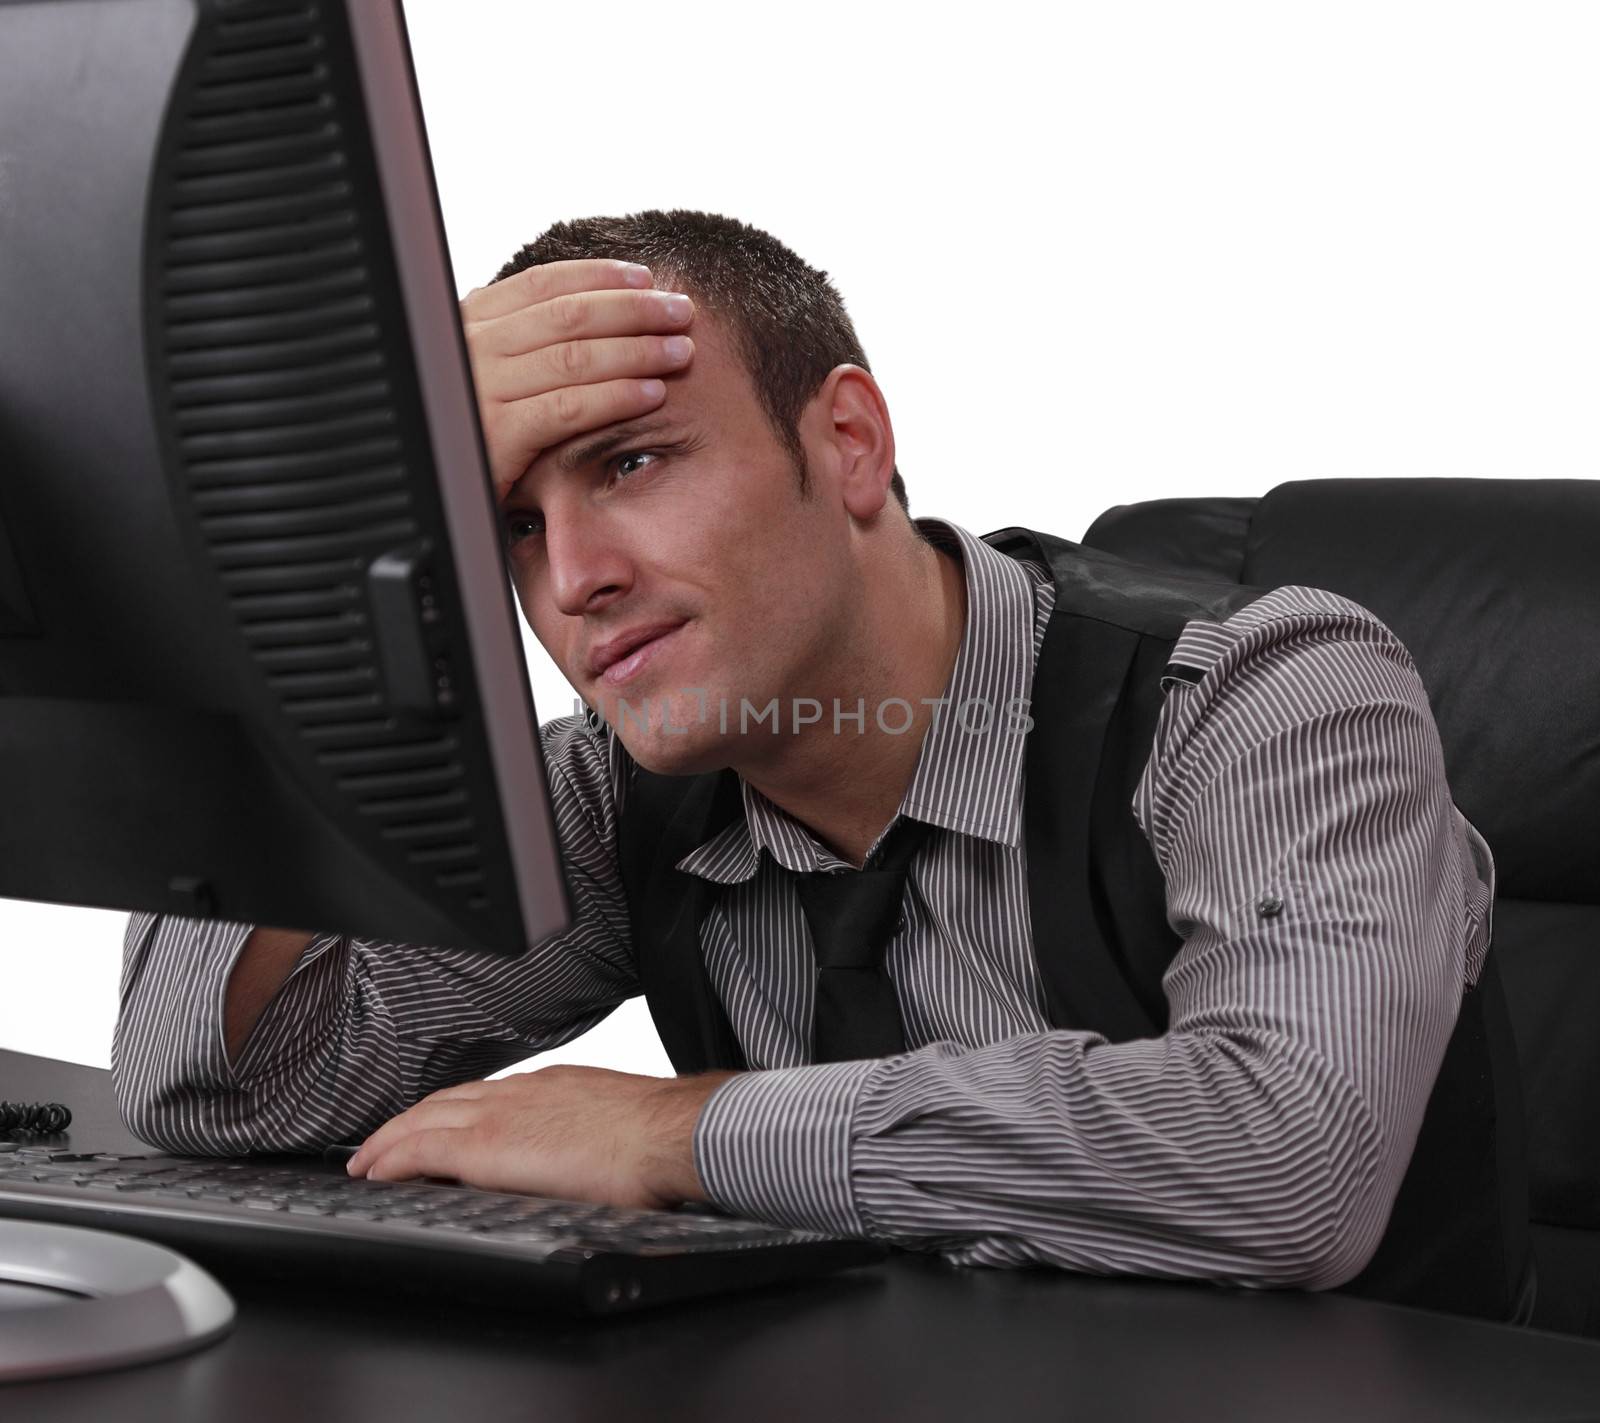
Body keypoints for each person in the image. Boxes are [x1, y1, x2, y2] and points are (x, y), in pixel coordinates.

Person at [112, 210, 1499, 1303]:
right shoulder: (623, 793)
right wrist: (330, 553)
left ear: (848, 442)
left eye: (634, 464)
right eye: (511, 529)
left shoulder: (1265, 695)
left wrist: (680, 1135)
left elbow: (1291, 1160)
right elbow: (210, 1079)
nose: (575, 578)